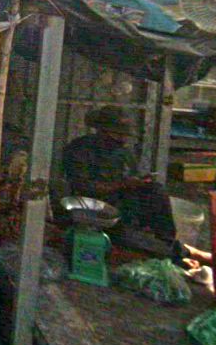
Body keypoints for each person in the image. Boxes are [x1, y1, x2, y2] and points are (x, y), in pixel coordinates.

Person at [62, 106, 208, 265]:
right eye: (117, 134)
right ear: (102, 131)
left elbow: (129, 178)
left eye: (124, 135)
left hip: (123, 202)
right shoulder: (79, 149)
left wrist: (139, 182)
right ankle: (177, 254)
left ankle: (168, 243)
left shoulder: (122, 152)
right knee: (128, 237)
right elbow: (83, 187)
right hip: (94, 209)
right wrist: (122, 184)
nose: (122, 139)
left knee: (155, 191)